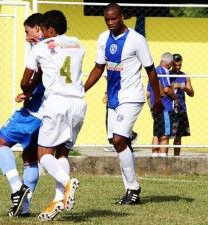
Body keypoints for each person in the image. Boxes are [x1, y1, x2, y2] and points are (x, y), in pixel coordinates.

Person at [84, 3, 163, 205]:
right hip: (113, 98)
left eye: (114, 18)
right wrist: (81, 89)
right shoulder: (103, 38)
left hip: (132, 96)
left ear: (122, 17)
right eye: (107, 19)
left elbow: (151, 71)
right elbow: (98, 68)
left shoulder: (137, 40)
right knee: (118, 143)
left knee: (119, 139)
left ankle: (134, 188)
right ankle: (130, 190)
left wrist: (158, 99)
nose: (110, 22)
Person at [20, 10, 86, 221]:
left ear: (50, 29)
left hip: (56, 102)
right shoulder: (78, 43)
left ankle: (67, 183)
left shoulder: (40, 47)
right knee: (62, 153)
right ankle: (58, 200)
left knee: (44, 154)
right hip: (78, 103)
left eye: (45, 30)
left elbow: (26, 79)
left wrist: (26, 89)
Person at [0, 13, 44, 217]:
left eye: (27, 32)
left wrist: (28, 90)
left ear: (38, 29)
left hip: (33, 111)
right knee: (30, 157)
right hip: (48, 113)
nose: (26, 37)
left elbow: (34, 77)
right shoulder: (59, 47)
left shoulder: (41, 49)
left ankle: (17, 189)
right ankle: (24, 207)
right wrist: (30, 92)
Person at [147, 52, 177, 157]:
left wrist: (151, 107)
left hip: (155, 108)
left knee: (156, 133)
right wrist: (175, 98)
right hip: (165, 108)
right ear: (169, 62)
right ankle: (163, 160)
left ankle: (154, 157)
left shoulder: (153, 72)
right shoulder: (163, 72)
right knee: (165, 134)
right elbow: (166, 89)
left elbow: (148, 94)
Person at [170, 53, 194, 156]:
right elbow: (162, 89)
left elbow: (192, 93)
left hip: (181, 109)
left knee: (178, 136)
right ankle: (163, 158)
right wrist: (173, 86)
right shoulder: (167, 74)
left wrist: (185, 88)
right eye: (176, 65)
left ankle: (176, 158)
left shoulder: (185, 76)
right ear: (171, 64)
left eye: (180, 65)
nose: (178, 67)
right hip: (169, 109)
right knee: (165, 135)